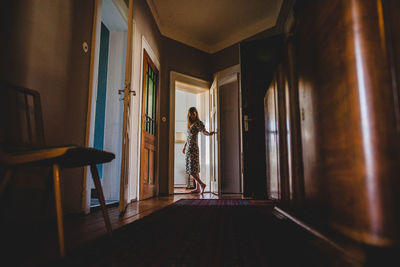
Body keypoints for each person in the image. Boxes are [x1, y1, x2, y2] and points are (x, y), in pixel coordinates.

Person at [182, 107, 215, 194]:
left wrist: (209, 134)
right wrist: (184, 147)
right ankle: (198, 188)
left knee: (191, 170)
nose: (193, 115)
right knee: (194, 169)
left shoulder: (198, 123)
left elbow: (203, 131)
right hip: (189, 148)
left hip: (193, 148)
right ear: (189, 115)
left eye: (194, 113)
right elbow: (188, 138)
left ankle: (202, 184)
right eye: (191, 114)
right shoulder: (190, 124)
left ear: (196, 114)